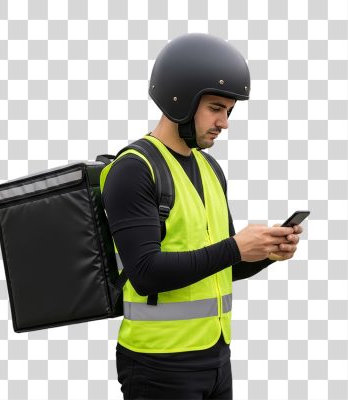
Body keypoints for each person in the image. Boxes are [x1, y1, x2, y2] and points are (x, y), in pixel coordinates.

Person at [100, 33, 303, 400]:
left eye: (228, 111)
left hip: (216, 358)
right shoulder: (134, 169)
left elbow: (223, 267)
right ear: (179, 98)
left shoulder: (210, 169)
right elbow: (145, 274)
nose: (224, 122)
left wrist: (266, 252)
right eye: (215, 108)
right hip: (158, 365)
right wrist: (236, 247)